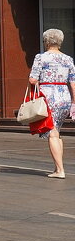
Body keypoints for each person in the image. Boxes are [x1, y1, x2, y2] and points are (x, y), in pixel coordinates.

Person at [28, 28, 75, 179]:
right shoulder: (68, 59)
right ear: (60, 42)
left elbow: (33, 79)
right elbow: (73, 82)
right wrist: (74, 101)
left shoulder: (41, 58)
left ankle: (60, 170)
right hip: (64, 96)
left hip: (48, 96)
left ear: (46, 42)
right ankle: (57, 168)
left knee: (52, 134)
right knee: (57, 132)